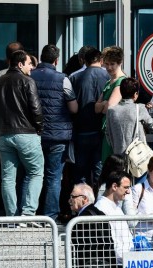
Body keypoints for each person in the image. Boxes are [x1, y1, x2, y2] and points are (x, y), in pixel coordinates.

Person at [0, 50, 44, 218]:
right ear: (20, 64)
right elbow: (36, 108)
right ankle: (28, 213)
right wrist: (39, 127)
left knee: (7, 178)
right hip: (26, 133)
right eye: (29, 64)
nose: (32, 67)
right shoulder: (27, 81)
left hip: (3, 135)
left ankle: (12, 217)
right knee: (35, 172)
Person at [30, 44, 78, 221]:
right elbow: (73, 108)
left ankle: (30, 212)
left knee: (33, 174)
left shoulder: (29, 76)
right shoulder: (62, 79)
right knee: (53, 176)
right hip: (58, 136)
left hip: (34, 134)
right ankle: (50, 215)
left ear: (41, 58)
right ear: (56, 60)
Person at [70, 47, 110, 186]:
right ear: (101, 60)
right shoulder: (109, 77)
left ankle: (81, 203)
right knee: (99, 169)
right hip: (102, 130)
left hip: (81, 129)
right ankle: (99, 203)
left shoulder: (74, 77)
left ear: (84, 61)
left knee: (80, 171)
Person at [105, 77, 153, 157]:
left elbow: (107, 133)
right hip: (138, 156)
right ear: (135, 94)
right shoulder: (139, 108)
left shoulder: (111, 110)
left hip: (118, 154)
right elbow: (152, 126)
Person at [68, 183, 116, 268]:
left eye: (73, 197)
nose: (70, 200)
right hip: (106, 263)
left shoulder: (82, 219)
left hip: (91, 264)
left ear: (84, 199)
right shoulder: (100, 213)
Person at [95, 171, 134, 265]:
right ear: (114, 186)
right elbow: (110, 240)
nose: (128, 191)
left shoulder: (115, 206)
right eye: (126, 187)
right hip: (118, 263)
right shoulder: (102, 208)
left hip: (126, 261)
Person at [95, 46, 126, 163]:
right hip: (107, 129)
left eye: (112, 64)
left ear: (120, 63)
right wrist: (103, 104)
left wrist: (103, 104)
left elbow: (108, 108)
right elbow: (96, 108)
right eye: (106, 64)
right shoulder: (109, 81)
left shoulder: (121, 81)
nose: (108, 67)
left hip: (114, 131)